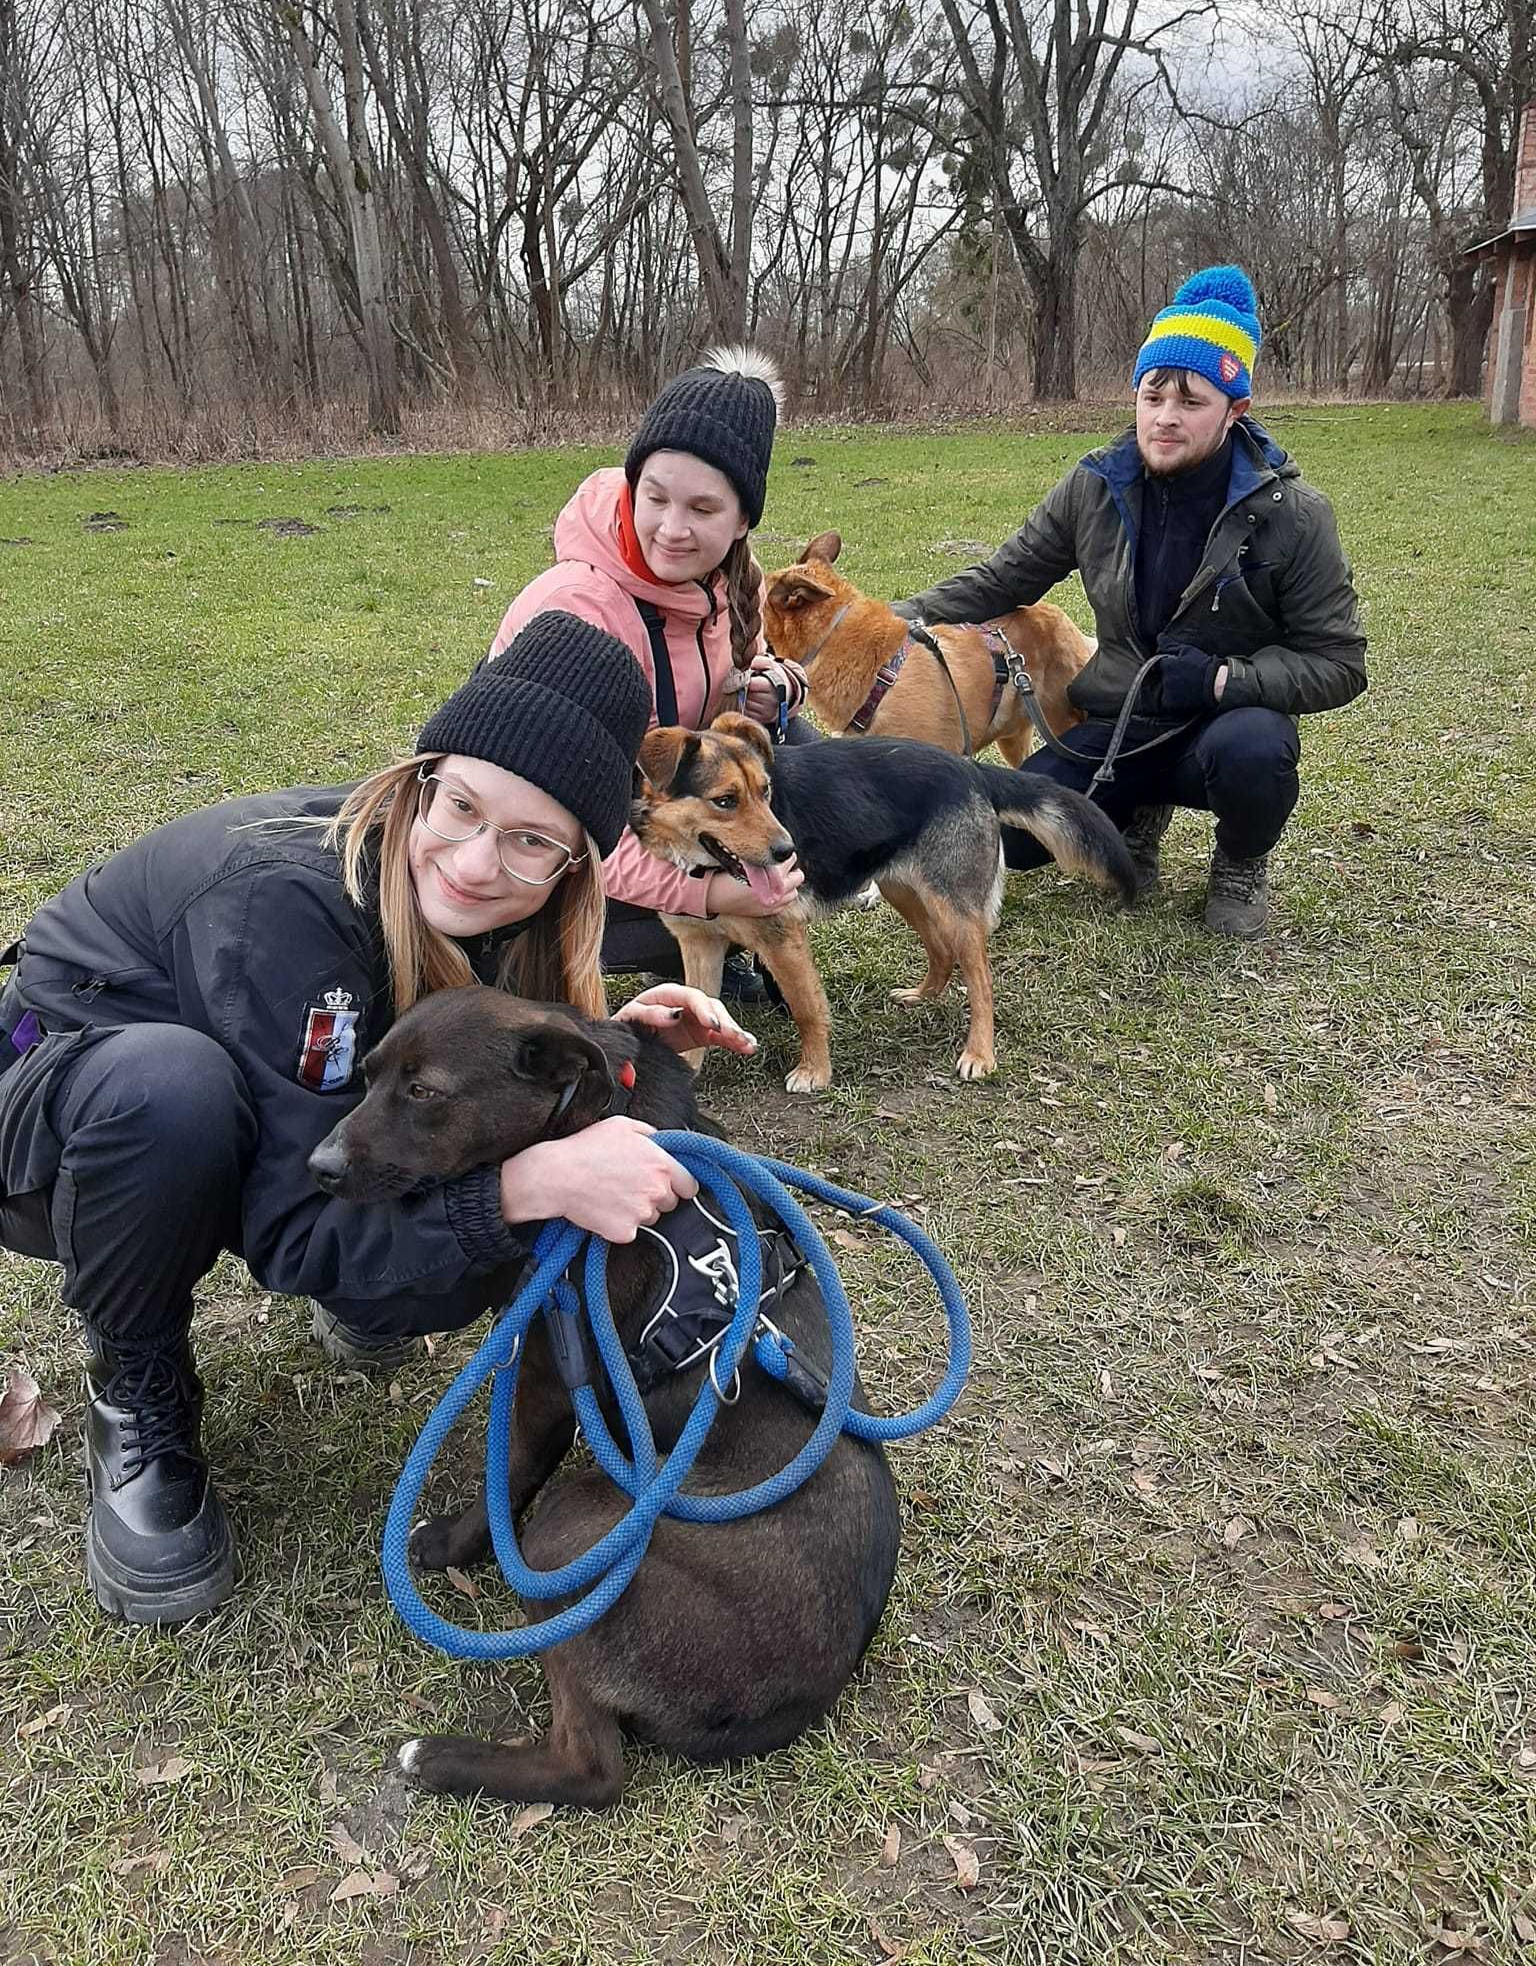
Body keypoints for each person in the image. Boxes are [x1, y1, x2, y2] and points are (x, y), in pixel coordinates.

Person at [0, 613, 757, 1626]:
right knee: (168, 1090)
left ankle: (368, 1293)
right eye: (463, 806)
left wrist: (603, 1046)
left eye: (532, 839)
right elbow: (289, 1228)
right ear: (421, 779)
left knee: (432, 1210)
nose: (480, 860)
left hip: (250, 1096)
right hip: (62, 1127)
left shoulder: (494, 904)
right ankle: (137, 1392)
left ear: (577, 865)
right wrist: (524, 1187)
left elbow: (465, 1055)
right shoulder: (282, 907)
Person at [898, 266, 1368, 937]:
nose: (1165, 418)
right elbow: (1003, 579)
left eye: (1191, 401)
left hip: (1222, 723)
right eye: (1153, 396)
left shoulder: (1293, 513)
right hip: (1120, 723)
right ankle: (1138, 810)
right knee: (1014, 836)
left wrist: (1223, 678)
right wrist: (888, 619)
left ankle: (1239, 861)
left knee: (1257, 748)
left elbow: (1340, 663)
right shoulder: (1096, 486)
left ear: (1236, 411)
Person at [489, 345, 809, 988]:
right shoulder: (577, 612)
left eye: (704, 509)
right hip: (553, 852)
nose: (672, 529)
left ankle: (756, 920)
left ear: (744, 519)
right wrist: (709, 900)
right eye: (655, 497)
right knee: (700, 912)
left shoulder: (728, 580)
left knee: (798, 751)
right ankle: (643, 943)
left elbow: (761, 660)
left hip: (666, 795)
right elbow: (568, 829)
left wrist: (779, 686)